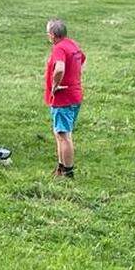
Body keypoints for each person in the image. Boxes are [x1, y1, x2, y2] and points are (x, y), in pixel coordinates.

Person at [45, 18, 86, 178]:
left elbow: (60, 68)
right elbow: (82, 59)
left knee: (64, 136)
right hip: (75, 95)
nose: (48, 36)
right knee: (60, 134)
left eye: (48, 33)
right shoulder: (72, 44)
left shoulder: (59, 49)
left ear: (54, 35)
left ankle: (68, 172)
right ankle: (61, 168)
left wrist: (55, 85)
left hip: (64, 99)